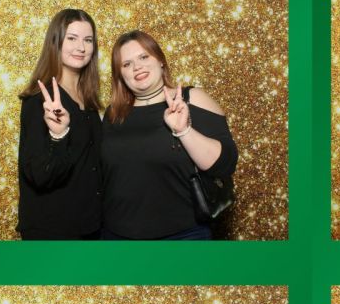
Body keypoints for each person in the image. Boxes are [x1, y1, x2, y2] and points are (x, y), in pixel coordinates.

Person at [100, 30, 238, 241]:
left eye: (144, 57)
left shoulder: (192, 99)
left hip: (183, 236)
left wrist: (184, 131)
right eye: (126, 64)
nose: (137, 67)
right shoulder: (113, 114)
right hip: (117, 237)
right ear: (120, 75)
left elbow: (225, 164)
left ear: (161, 61)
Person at [17, 8, 103, 240]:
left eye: (88, 40)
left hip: (91, 226)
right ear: (55, 42)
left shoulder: (89, 102)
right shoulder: (39, 100)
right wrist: (59, 136)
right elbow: (39, 175)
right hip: (53, 231)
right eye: (72, 38)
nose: (81, 47)